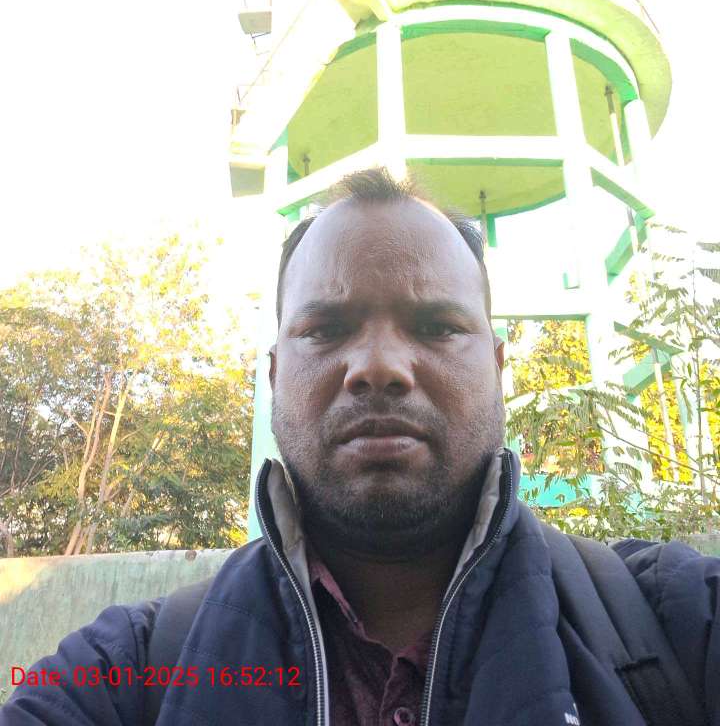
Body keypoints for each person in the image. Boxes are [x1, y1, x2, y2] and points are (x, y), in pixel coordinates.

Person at [2, 167, 719, 726]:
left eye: (436, 327)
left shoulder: (673, 620)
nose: (378, 367)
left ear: (498, 369)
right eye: (326, 329)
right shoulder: (136, 670)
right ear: (275, 377)